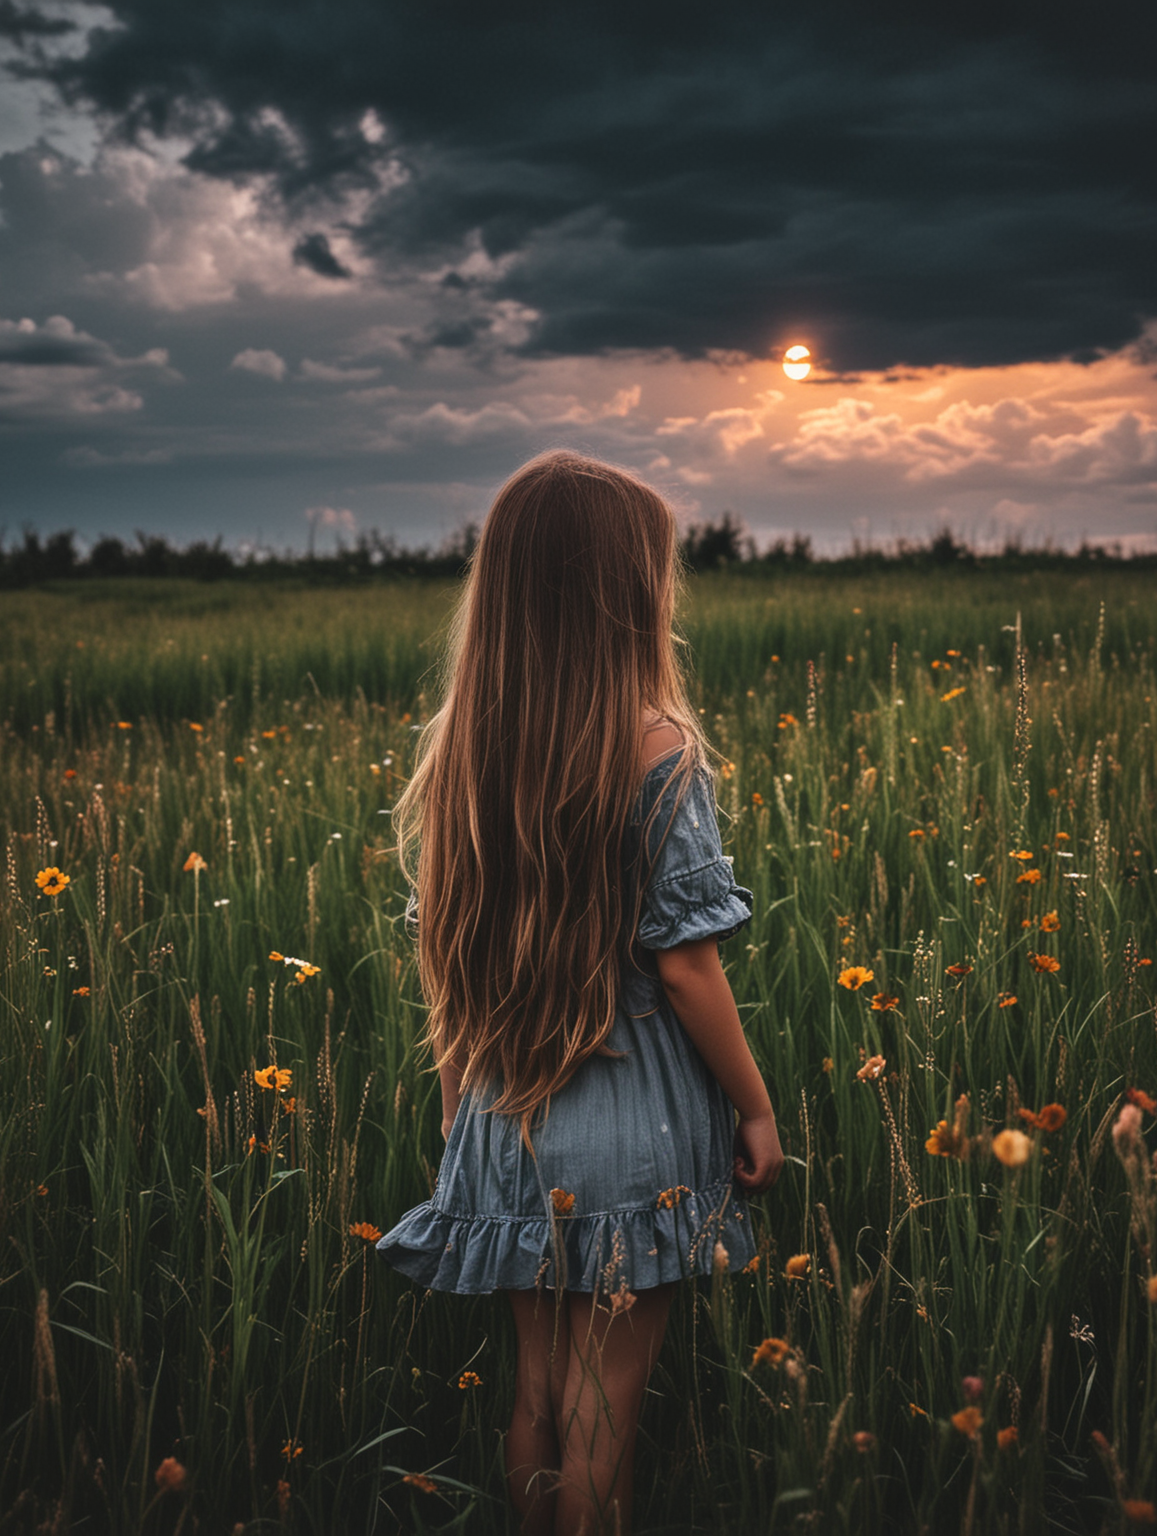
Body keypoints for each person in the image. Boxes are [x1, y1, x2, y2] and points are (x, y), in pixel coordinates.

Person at [376, 449, 784, 1536]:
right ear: (625, 595)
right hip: (633, 1129)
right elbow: (689, 966)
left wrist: (460, 1111)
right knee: (607, 1414)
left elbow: (447, 959)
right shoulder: (655, 748)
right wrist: (753, 1105)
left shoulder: (466, 749)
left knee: (539, 1400)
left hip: (505, 1119)